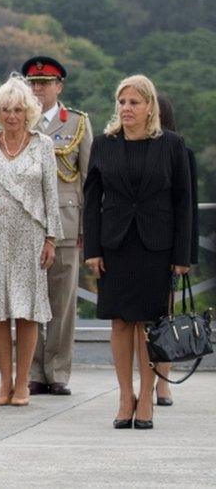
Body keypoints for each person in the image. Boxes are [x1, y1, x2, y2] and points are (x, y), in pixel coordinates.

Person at [83, 75, 192, 431]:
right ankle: (124, 395)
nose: (126, 108)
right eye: (122, 102)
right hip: (115, 245)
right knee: (119, 321)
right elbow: (91, 201)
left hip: (155, 246)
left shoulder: (172, 145)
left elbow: (183, 203)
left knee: (147, 323)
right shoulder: (103, 144)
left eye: (134, 102)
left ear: (150, 108)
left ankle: (147, 396)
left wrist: (182, 255)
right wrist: (94, 248)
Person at [0, 76, 62, 407]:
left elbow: (51, 196)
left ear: (28, 111)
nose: (11, 115)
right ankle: (4, 380)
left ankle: (23, 382)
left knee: (27, 311)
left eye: (17, 109)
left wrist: (51, 239)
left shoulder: (43, 144)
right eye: (5, 109)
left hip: (30, 236)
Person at [22, 56, 93, 397]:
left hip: (65, 224)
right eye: (33, 83)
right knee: (30, 302)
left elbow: (91, 181)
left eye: (44, 83)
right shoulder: (17, 119)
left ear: (58, 86)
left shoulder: (76, 123)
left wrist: (89, 232)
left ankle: (58, 370)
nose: (37, 89)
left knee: (62, 304)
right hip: (26, 225)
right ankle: (34, 370)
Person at [151, 95, 200, 406]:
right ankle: (140, 381)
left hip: (167, 247)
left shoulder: (181, 151)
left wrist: (185, 256)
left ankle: (163, 382)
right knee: (132, 322)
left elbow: (188, 208)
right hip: (132, 247)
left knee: (164, 318)